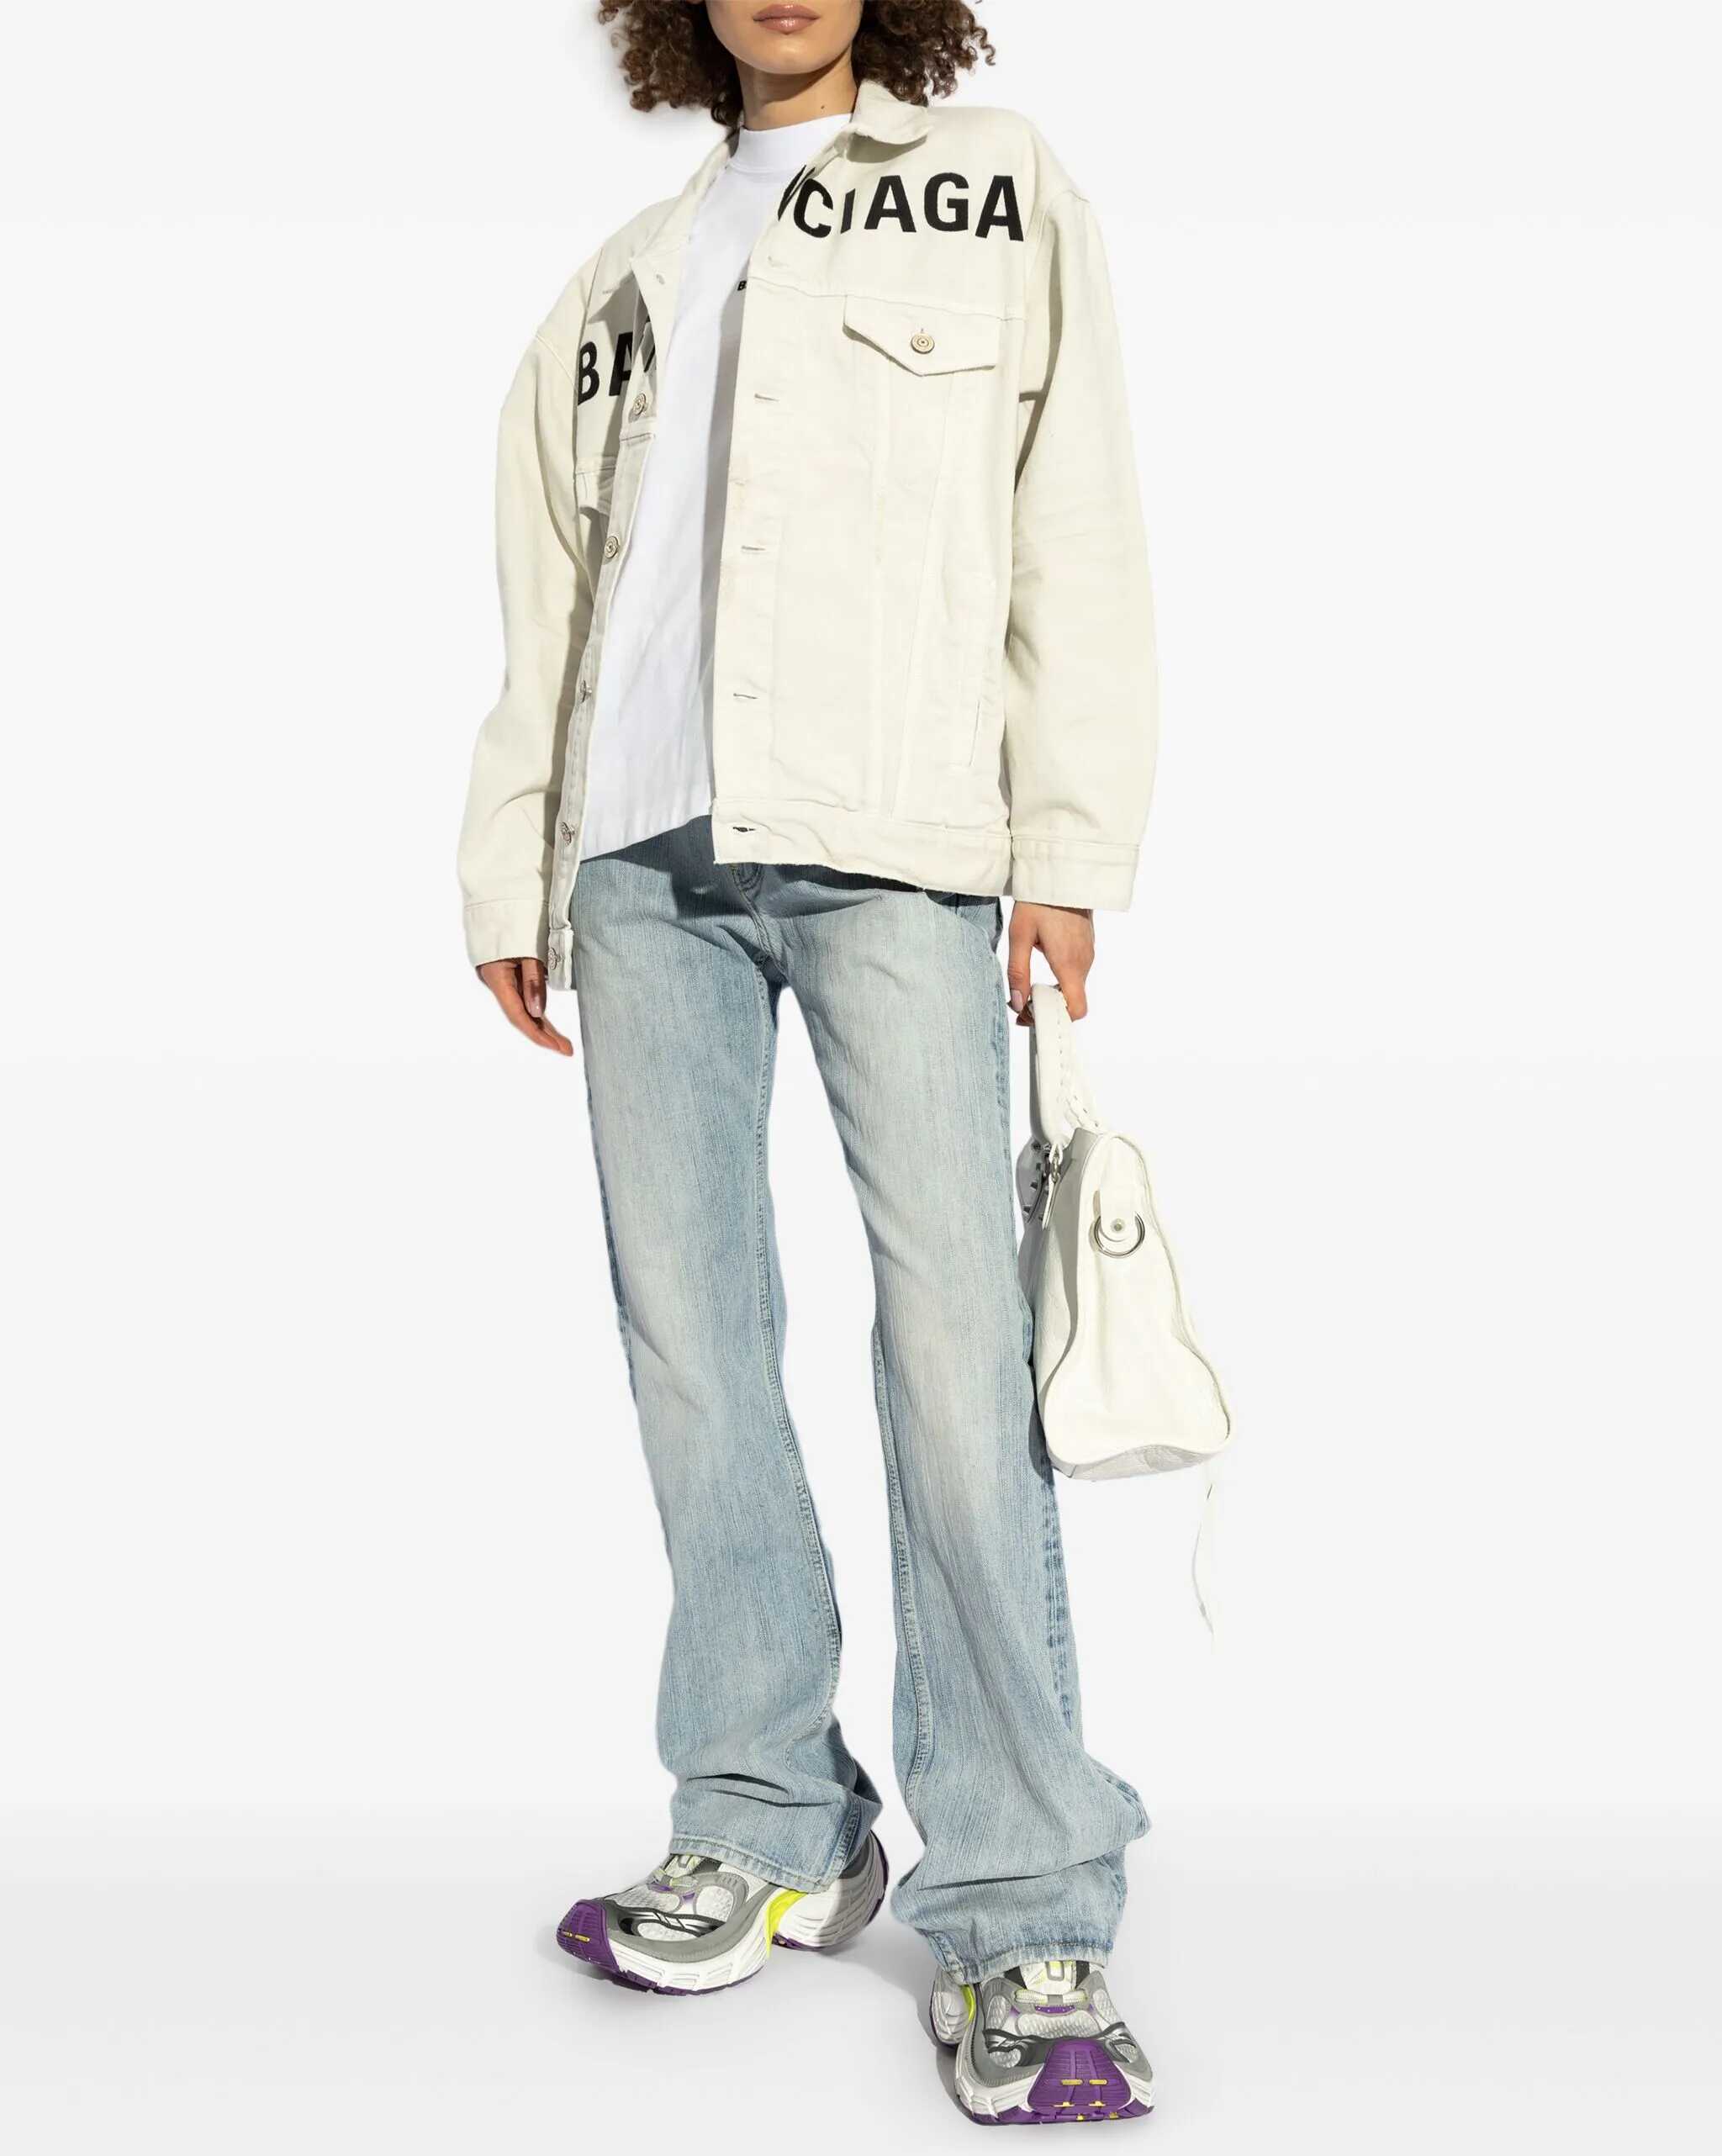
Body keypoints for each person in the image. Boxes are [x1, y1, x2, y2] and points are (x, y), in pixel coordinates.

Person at [457, 0, 1159, 2124]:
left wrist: (1069, 846)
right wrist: (519, 855)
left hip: (898, 845)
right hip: (640, 864)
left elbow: (1071, 522)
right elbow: (558, 592)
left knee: (952, 1357)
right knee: (691, 1351)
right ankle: (765, 1813)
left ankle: (1024, 1897)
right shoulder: (624, 274)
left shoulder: (995, 188)